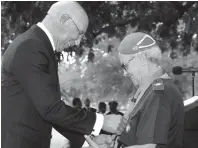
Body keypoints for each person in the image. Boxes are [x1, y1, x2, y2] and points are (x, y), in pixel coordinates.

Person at [1, 2, 122, 148]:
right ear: (64, 19)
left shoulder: (39, 46)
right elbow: (51, 109)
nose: (77, 42)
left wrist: (87, 140)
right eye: (79, 33)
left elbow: (47, 109)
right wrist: (102, 121)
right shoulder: (30, 46)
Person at [84, 32, 185, 148]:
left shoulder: (158, 93)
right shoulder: (148, 89)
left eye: (125, 66)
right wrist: (113, 144)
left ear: (141, 58)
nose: (125, 73)